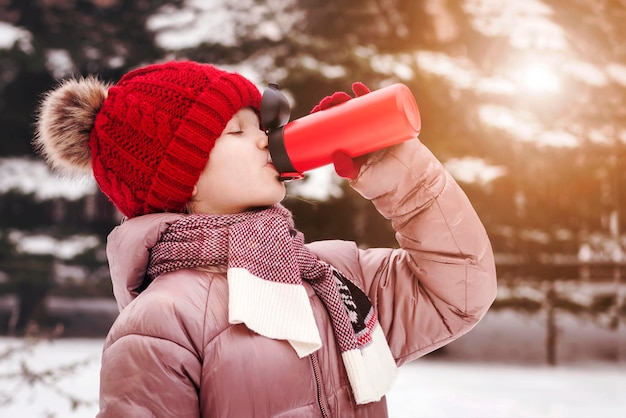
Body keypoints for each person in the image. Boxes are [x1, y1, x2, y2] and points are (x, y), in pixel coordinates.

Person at [34, 60, 497, 417]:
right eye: (236, 130)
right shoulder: (162, 323)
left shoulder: (330, 278)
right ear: (183, 179)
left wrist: (402, 176)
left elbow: (455, 292)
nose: (263, 139)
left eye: (260, 124)